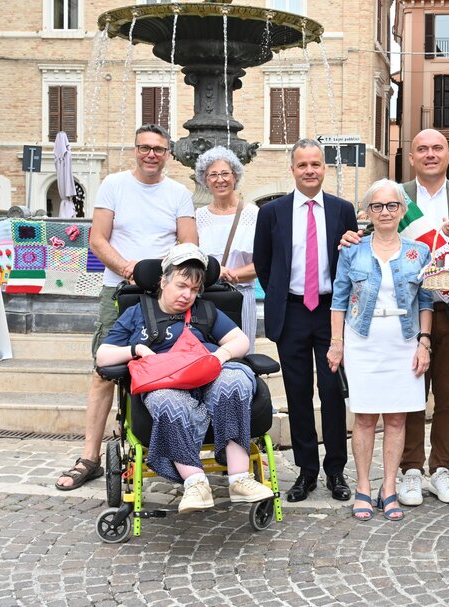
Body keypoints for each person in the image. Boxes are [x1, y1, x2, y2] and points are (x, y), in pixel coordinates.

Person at [340, 128, 449, 506]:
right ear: (411, 157)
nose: (429, 154)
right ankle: (408, 471)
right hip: (410, 314)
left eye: (437, 148)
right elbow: (369, 230)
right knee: (406, 396)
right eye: (421, 149)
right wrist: (349, 238)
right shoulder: (396, 194)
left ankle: (441, 468)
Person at [56, 124, 196, 491]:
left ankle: (166, 447)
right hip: (119, 289)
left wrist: (161, 275)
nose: (151, 154)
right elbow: (97, 238)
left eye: (159, 149)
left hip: (164, 292)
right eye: (145, 147)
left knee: (167, 364)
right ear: (134, 150)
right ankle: (89, 457)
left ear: (168, 154)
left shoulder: (178, 192)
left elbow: (189, 243)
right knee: (105, 369)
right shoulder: (114, 185)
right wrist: (130, 270)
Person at [96, 244, 274, 512]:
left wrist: (219, 357)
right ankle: (195, 483)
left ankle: (240, 479)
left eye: (193, 289)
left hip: (211, 374)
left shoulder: (206, 310)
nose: (187, 295)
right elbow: (103, 356)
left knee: (235, 379)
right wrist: (135, 350)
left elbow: (241, 340)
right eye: (181, 286)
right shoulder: (137, 312)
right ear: (163, 280)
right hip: (166, 381)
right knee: (166, 400)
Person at [253, 138, 359, 503]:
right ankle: (306, 472)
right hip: (293, 311)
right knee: (298, 395)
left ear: (324, 168)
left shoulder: (343, 209)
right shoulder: (273, 212)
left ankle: (336, 472)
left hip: (331, 312)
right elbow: (264, 264)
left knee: (332, 393)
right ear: (293, 169)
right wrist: (285, 295)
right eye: (303, 165)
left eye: (315, 164)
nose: (310, 171)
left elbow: (350, 258)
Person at [327, 180, 433, 521]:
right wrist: (336, 343)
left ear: (402, 210)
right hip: (364, 340)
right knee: (365, 417)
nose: (384, 212)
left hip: (404, 341)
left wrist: (424, 343)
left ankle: (389, 487)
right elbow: (339, 300)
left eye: (391, 206)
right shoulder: (352, 250)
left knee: (398, 417)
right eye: (377, 206)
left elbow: (427, 300)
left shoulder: (419, 251)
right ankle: (362, 487)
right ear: (367, 212)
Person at [195, 146, 259, 349]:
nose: (219, 179)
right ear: (205, 180)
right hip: (206, 297)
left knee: (242, 353)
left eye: (225, 173)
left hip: (240, 296)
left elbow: (263, 264)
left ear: (235, 176)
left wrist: (230, 274)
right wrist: (213, 273)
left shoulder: (253, 214)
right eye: (212, 175)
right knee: (207, 353)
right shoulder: (198, 217)